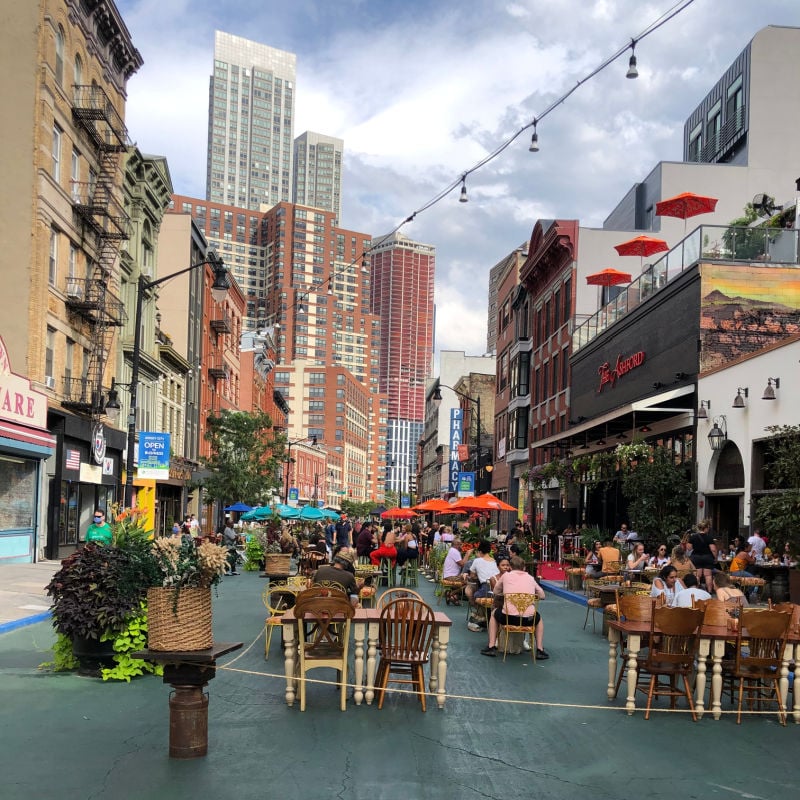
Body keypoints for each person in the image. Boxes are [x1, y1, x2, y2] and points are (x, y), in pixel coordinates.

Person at [481, 555, 549, 660]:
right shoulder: (531, 578)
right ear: (524, 568)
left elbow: (495, 592)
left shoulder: (505, 576)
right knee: (538, 619)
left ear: (510, 567)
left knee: (494, 614)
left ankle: (491, 646)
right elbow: (542, 595)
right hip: (527, 620)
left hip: (508, 618)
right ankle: (540, 649)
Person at [465, 540, 500, 631]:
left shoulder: (477, 561)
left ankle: (482, 615)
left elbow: (472, 576)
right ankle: (487, 615)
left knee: (475, 595)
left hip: (486, 587)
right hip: (497, 588)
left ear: (480, 551)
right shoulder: (493, 561)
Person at [686, 520, 716, 593]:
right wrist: (715, 558)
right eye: (708, 528)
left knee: (697, 575)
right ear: (705, 528)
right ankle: (709, 592)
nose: (708, 529)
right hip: (707, 557)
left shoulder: (693, 537)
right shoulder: (709, 537)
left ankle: (695, 591)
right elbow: (713, 549)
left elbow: (689, 548)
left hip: (696, 557)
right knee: (708, 575)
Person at [441, 537, 466, 605]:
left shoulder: (452, 550)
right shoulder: (454, 551)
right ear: (456, 545)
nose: (462, 546)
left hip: (449, 575)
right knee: (468, 582)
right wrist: (467, 554)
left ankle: (453, 596)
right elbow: (462, 564)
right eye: (460, 544)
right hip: (450, 576)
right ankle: (451, 594)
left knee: (463, 578)